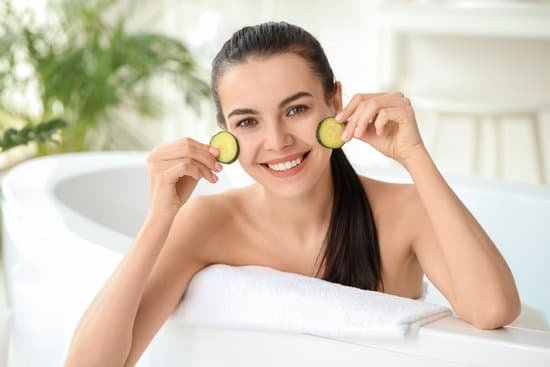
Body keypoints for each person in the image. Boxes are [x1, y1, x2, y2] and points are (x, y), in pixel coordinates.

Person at [64, 21, 520, 366]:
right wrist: (158, 219)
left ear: (335, 103)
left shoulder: (402, 210)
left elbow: (493, 310)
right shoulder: (206, 223)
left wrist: (414, 156)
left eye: (296, 109)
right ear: (225, 132)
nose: (277, 140)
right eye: (248, 121)